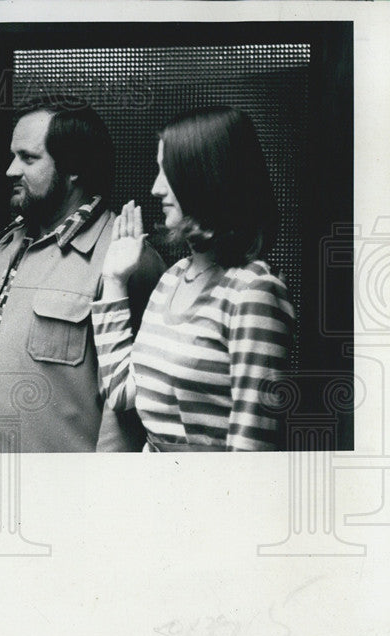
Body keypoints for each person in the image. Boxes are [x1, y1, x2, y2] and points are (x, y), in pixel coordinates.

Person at [0, 95, 165, 453]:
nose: (11, 170)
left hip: (62, 493)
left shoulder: (127, 257)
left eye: (28, 158)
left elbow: (140, 404)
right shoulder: (9, 244)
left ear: (72, 166)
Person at [91, 106, 295, 451]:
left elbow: (252, 453)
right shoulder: (173, 277)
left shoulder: (254, 292)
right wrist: (114, 280)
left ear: (205, 176)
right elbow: (122, 393)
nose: (156, 188)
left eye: (166, 171)